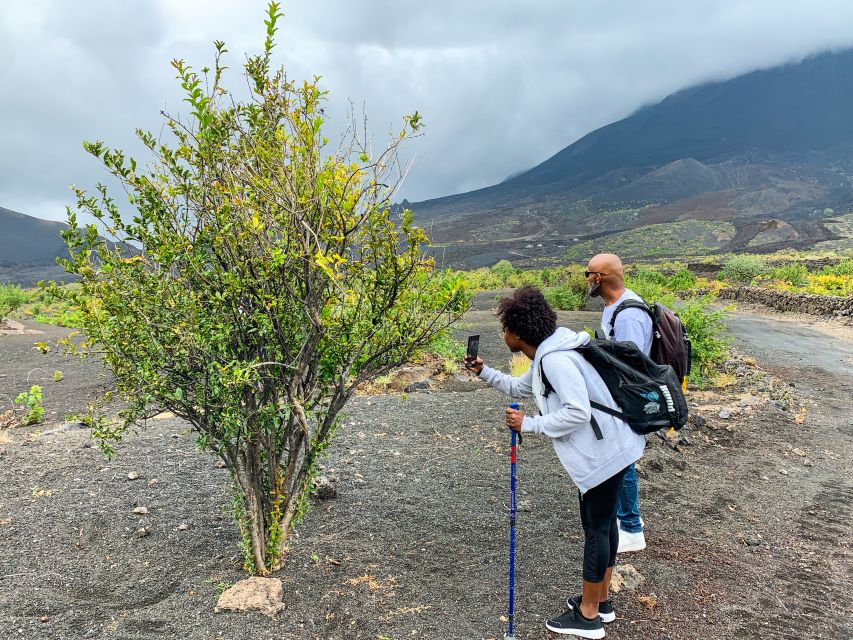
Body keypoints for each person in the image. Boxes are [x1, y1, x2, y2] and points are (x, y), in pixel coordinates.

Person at [466, 285, 645, 638]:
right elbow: (521, 388)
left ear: (516, 333)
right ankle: (601, 601)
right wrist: (484, 372)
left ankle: (589, 615)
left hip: (604, 454)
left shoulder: (556, 360)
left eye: (504, 329)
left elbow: (576, 411)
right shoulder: (550, 352)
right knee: (605, 525)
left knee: (596, 529)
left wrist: (529, 425)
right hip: (614, 447)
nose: (503, 335)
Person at [586, 253, 653, 554]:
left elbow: (631, 365)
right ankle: (623, 521)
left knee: (623, 460)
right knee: (618, 460)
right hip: (619, 396)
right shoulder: (613, 308)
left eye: (588, 273)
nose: (586, 279)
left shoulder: (628, 315)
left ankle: (631, 528)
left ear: (599, 277)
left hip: (629, 398)